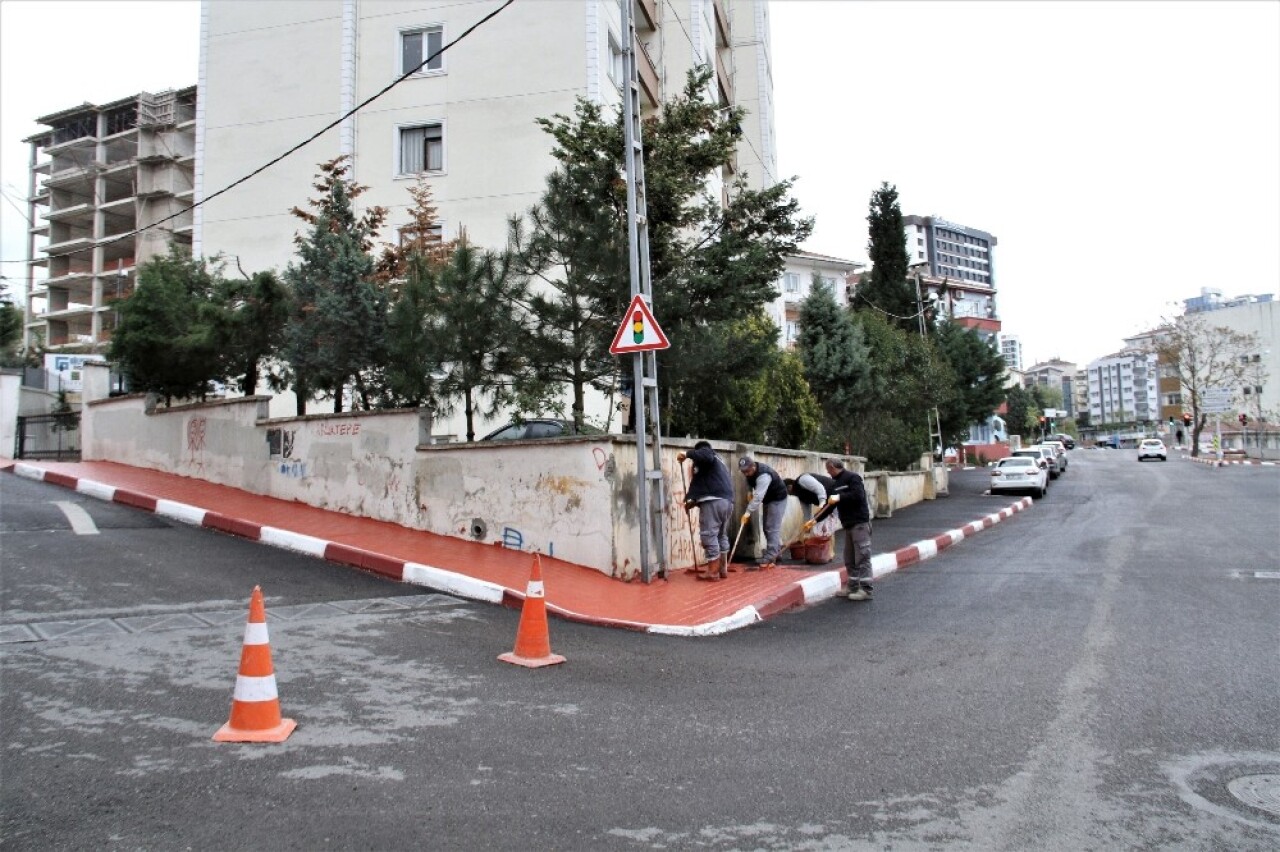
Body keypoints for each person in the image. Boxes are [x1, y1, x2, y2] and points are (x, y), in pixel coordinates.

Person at [812, 458, 873, 601]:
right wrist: (814, 519)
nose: (828, 472)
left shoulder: (853, 478)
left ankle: (866, 589)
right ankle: (852, 586)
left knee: (862, 556)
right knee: (850, 558)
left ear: (833, 467)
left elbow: (858, 496)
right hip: (849, 525)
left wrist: (839, 497)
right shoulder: (836, 484)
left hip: (860, 523)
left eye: (828, 470)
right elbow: (830, 506)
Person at [676, 441, 734, 581]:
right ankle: (722, 569)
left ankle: (713, 572)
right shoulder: (719, 461)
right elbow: (710, 483)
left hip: (714, 501)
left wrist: (687, 453)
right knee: (721, 535)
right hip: (727, 501)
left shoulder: (707, 453)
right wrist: (694, 502)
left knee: (709, 535)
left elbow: (705, 455)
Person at [737, 455, 788, 570]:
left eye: (747, 471)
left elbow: (759, 496)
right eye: (743, 471)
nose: (745, 474)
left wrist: (748, 512)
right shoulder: (750, 473)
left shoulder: (764, 475)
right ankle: (776, 552)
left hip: (778, 498)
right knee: (766, 526)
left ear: (753, 466)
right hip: (768, 499)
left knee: (772, 527)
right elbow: (751, 485)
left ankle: (771, 556)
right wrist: (749, 493)